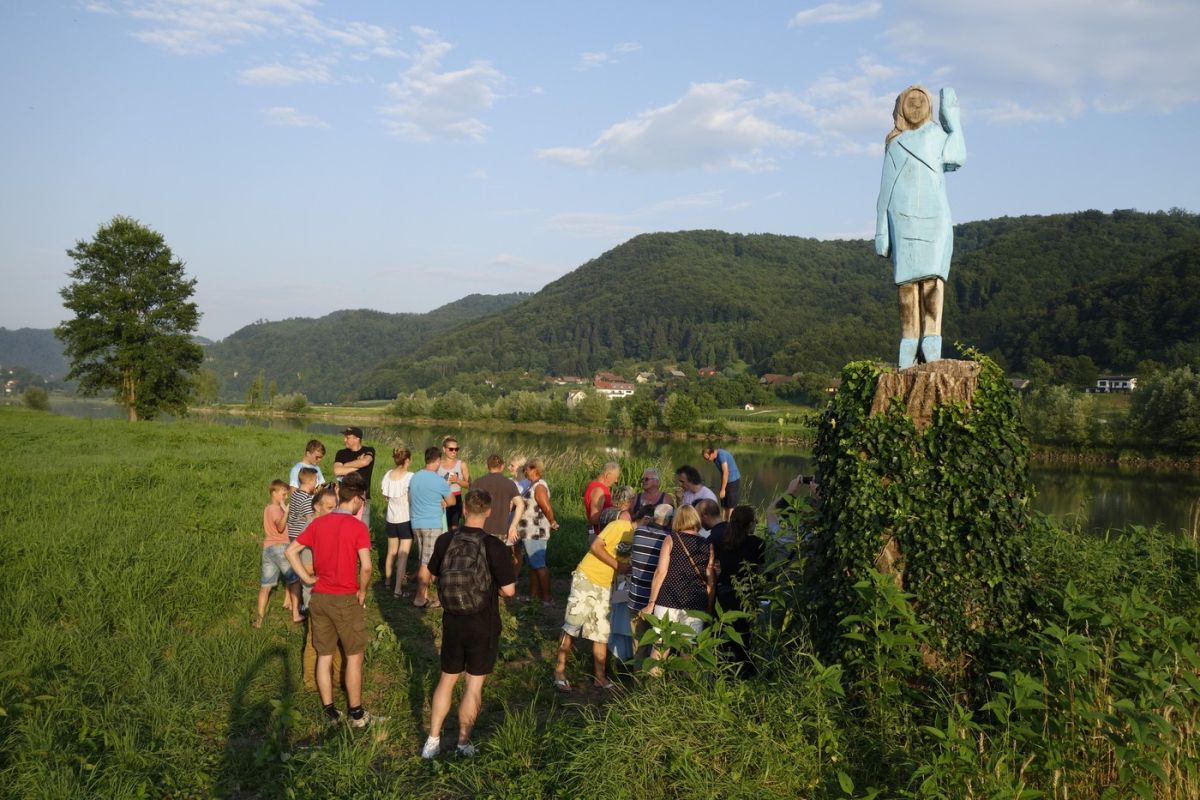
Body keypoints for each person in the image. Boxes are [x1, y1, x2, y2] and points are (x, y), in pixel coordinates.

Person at [421, 489, 517, 759]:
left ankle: (432, 740)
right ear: (488, 512)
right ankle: (463, 744)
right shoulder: (494, 546)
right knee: (473, 685)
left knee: (447, 679)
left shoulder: (445, 540)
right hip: (483, 623)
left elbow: (433, 576)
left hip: (452, 620)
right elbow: (509, 591)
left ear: (464, 510)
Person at [874, 85, 965, 368]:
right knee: (906, 283)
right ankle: (909, 338)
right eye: (909, 102)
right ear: (900, 107)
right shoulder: (895, 144)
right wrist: (881, 230)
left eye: (920, 101)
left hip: (934, 216)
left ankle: (932, 336)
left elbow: (956, 157)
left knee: (932, 280)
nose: (915, 106)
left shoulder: (937, 136)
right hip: (901, 217)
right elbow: (885, 190)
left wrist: (953, 121)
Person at [285, 474, 374, 728]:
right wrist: (363, 591)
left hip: (319, 597)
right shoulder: (358, 527)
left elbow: (290, 551)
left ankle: (330, 712)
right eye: (362, 500)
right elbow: (366, 567)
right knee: (354, 655)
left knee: (324, 654)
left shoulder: (319, 523)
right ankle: (356, 714)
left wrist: (306, 578)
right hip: (345, 598)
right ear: (356, 499)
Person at [554, 485, 635, 691]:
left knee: (601, 632)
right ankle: (559, 671)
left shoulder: (638, 538)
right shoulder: (620, 526)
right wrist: (619, 566)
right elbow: (595, 546)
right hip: (587, 578)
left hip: (607, 585)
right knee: (572, 625)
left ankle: (600, 677)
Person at [640, 504, 716, 669]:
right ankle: (686, 683)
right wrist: (709, 605)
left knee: (660, 647)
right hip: (695, 602)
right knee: (688, 650)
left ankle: (653, 683)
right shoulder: (707, 544)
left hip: (668, 599)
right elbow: (710, 579)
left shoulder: (671, 539)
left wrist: (651, 603)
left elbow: (661, 572)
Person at [300, 484, 343, 691]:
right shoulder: (311, 529)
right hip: (316, 593)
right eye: (329, 508)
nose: (333, 512)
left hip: (332, 591)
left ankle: (337, 678)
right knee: (315, 638)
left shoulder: (329, 526)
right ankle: (310, 681)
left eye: (335, 507)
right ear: (317, 506)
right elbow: (308, 567)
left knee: (336, 636)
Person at [714, 505, 765, 675]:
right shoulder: (757, 543)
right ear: (750, 524)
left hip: (723, 593)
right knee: (744, 635)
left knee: (725, 635)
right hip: (745, 595)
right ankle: (746, 672)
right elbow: (760, 571)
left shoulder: (723, 542)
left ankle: (724, 670)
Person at [627, 503, 674, 659]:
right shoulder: (668, 539)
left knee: (638, 646)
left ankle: (637, 673)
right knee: (658, 647)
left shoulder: (638, 532)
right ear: (669, 520)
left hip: (635, 598)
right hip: (656, 602)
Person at [410, 446, 454, 609]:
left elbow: (410, 498)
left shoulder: (415, 477)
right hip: (432, 525)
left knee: (423, 557)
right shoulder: (439, 481)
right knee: (427, 562)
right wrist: (442, 501)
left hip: (416, 523)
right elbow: (452, 501)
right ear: (437, 461)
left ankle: (425, 594)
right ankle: (419, 598)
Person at [256, 479, 303, 627]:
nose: (286, 497)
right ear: (274, 493)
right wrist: (286, 512)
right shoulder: (276, 509)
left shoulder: (268, 508)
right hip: (281, 548)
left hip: (268, 549)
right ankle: (296, 613)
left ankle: (259, 620)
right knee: (295, 580)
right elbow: (280, 527)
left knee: (265, 586)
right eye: (283, 494)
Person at [516, 457, 559, 605]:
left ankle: (547, 598)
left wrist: (552, 521)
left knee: (539, 565)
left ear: (534, 469)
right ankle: (533, 595)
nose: (524, 472)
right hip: (529, 531)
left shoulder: (539, 486)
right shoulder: (532, 484)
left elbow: (546, 507)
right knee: (533, 565)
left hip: (535, 531)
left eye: (526, 469)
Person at [380, 447, 414, 597]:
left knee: (391, 552)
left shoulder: (388, 475)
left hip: (391, 519)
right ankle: (398, 590)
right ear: (407, 460)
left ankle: (387, 583)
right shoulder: (410, 476)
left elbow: (385, 497)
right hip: (405, 519)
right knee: (402, 555)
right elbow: (412, 498)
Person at [472, 454, 525, 544]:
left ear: (487, 466)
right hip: (500, 530)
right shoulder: (509, 483)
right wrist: (513, 526)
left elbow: (468, 505)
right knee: (497, 552)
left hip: (479, 529)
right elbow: (521, 505)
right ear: (502, 466)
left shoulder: (478, 482)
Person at [334, 427, 376, 526]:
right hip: (344, 499)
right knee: (344, 528)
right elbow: (337, 471)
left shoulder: (369, 450)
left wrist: (345, 465)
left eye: (347, 437)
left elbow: (366, 462)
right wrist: (358, 464)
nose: (344, 440)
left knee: (362, 528)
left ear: (357, 439)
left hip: (362, 498)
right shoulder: (341, 453)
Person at [438, 436, 470, 531]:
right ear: (444, 449)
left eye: (456, 449)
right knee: (440, 527)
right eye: (451, 449)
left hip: (456, 498)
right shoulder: (438, 464)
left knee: (453, 528)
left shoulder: (462, 464)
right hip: (441, 499)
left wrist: (457, 480)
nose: (454, 452)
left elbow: (469, 485)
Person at [702, 446, 741, 521]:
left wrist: (723, 489)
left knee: (730, 506)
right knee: (724, 505)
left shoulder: (721, 455)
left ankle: (729, 524)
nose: (708, 460)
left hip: (733, 481)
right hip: (726, 481)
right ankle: (723, 523)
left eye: (707, 458)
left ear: (712, 453)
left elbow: (726, 472)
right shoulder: (715, 458)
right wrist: (723, 487)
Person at [583, 462, 620, 542]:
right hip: (599, 535)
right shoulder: (599, 490)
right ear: (608, 476)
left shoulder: (593, 484)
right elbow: (594, 518)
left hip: (599, 534)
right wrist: (616, 515)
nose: (616, 480)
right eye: (616, 477)